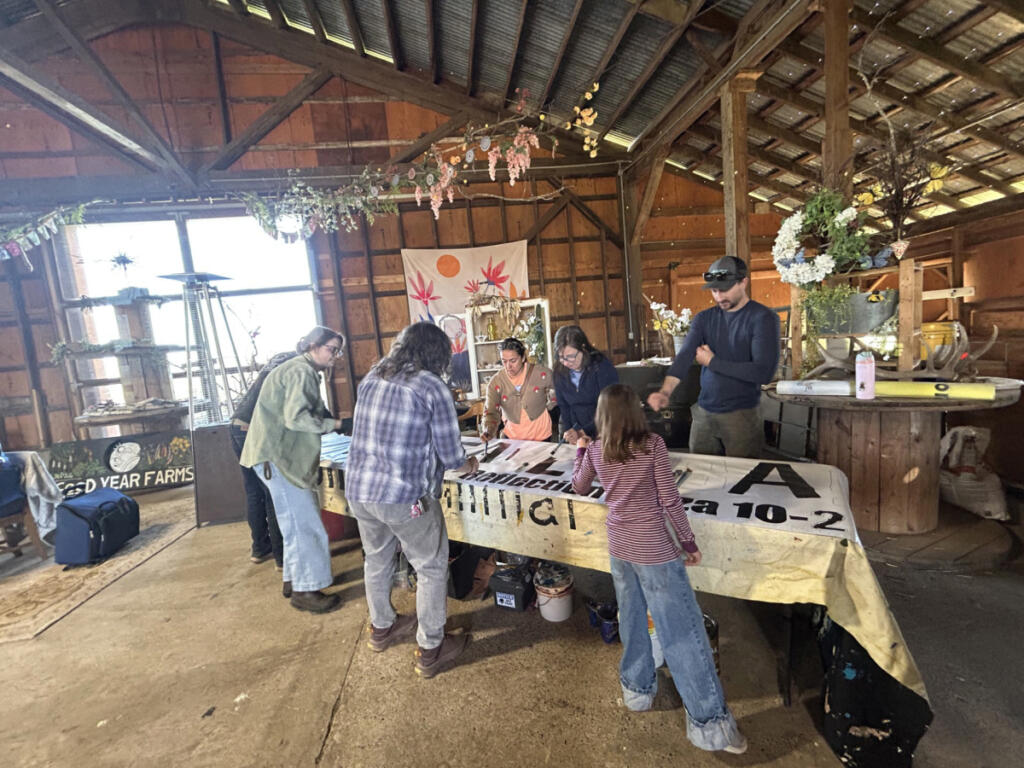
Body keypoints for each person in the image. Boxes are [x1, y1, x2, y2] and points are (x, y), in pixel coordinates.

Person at [572, 384, 747, 755]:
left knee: (632, 618)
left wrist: (579, 451)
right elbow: (669, 500)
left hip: (619, 548)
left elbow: (579, 484)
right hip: (654, 550)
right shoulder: (652, 446)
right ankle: (709, 725)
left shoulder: (597, 450)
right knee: (683, 632)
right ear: (635, 411)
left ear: (602, 415)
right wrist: (688, 543)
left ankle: (636, 691)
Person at [344, 322, 479, 678]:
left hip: (360, 490)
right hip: (404, 496)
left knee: (376, 560)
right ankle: (431, 647)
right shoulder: (431, 386)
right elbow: (453, 458)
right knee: (431, 568)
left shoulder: (373, 376)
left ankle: (382, 627)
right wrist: (471, 464)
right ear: (437, 354)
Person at [239, 327, 346, 614]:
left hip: (272, 456)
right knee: (306, 526)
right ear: (313, 345)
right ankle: (306, 590)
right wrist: (337, 425)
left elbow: (315, 409)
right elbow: (297, 418)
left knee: (292, 524)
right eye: (331, 349)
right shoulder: (302, 372)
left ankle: (293, 579)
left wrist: (333, 420)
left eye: (337, 351)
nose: (335, 356)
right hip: (279, 457)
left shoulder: (299, 369)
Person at [647, 256, 779, 458]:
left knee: (741, 478)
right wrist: (665, 392)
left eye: (724, 289)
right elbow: (684, 358)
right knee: (700, 475)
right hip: (704, 411)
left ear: (743, 282)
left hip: (741, 414)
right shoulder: (704, 318)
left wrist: (712, 362)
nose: (718, 296)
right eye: (714, 290)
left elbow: (763, 373)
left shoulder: (763, 318)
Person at [229, 349, 296, 568]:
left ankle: (259, 548)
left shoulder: (279, 359)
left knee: (254, 490)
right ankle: (282, 558)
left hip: (237, 425)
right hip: (255, 430)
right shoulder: (297, 366)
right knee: (273, 493)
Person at [480, 337, 556, 443]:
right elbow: (491, 412)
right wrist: (488, 430)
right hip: (512, 439)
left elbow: (560, 389)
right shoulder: (496, 383)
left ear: (523, 357)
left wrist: (550, 403)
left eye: (513, 361)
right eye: (504, 361)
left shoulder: (541, 373)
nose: (508, 366)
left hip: (541, 437)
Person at [552, 325, 618, 443]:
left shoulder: (601, 366)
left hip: (604, 430)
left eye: (570, 356)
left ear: (583, 348)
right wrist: (570, 431)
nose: (566, 363)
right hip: (577, 432)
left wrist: (584, 431)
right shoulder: (559, 371)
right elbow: (564, 406)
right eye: (561, 357)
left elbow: (610, 407)